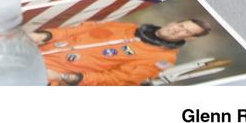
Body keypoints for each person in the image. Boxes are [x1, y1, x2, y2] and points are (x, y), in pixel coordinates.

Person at [30, 17, 210, 86]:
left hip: (51, 75)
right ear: (174, 22)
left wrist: (64, 77)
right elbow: (78, 30)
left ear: (190, 38)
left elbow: (114, 80)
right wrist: (45, 35)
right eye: (180, 25)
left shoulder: (161, 59)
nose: (177, 30)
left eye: (186, 32)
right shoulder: (127, 27)